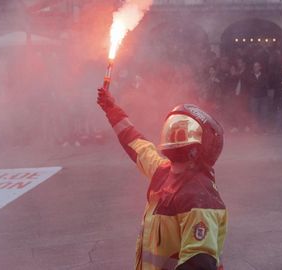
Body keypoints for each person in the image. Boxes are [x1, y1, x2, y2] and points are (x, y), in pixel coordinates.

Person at [97, 87, 227, 270]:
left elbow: (199, 264)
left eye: (180, 133)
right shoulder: (164, 171)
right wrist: (111, 110)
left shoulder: (200, 199)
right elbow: (135, 143)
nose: (174, 135)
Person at [245, 62, 269, 133]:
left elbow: (265, 85)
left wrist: (256, 85)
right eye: (255, 66)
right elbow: (249, 84)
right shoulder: (250, 76)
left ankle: (263, 129)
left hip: (263, 96)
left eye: (257, 66)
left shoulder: (264, 76)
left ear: (260, 67)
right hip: (254, 97)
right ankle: (255, 130)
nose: (256, 68)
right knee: (254, 114)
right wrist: (257, 85)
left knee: (263, 113)